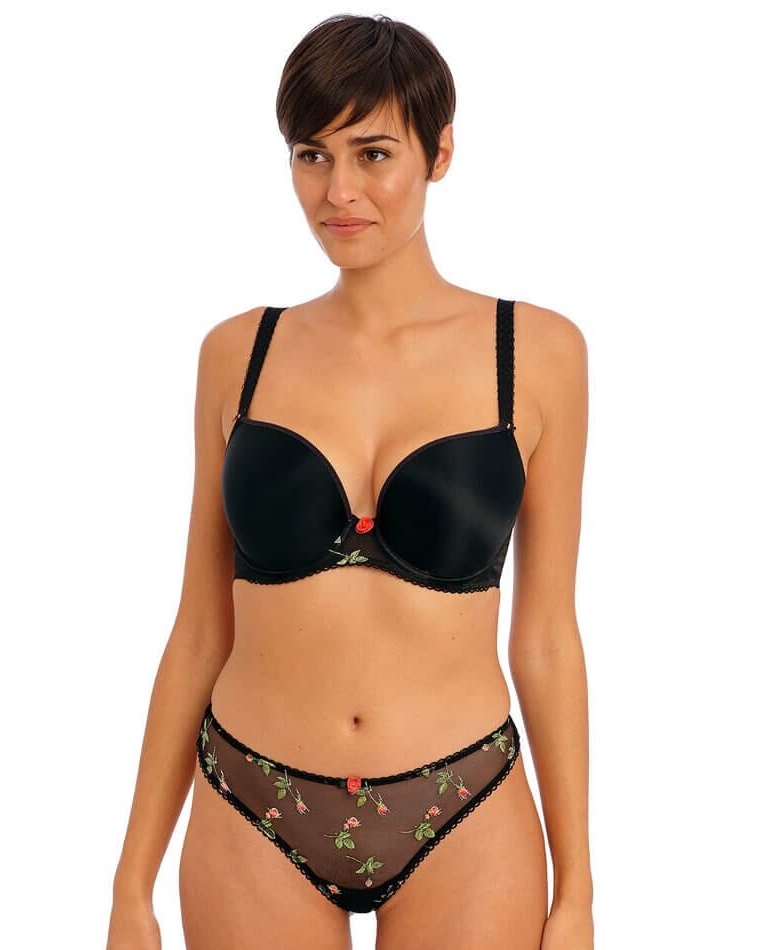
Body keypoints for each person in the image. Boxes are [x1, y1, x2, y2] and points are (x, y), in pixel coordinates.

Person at [107, 13, 593, 950]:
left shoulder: (535, 354)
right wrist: (132, 881)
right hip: (250, 798)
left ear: (439, 153)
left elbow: (546, 638)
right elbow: (200, 628)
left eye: (374, 154)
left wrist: (576, 892)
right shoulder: (239, 353)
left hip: (464, 803)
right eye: (311, 155)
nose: (339, 192)